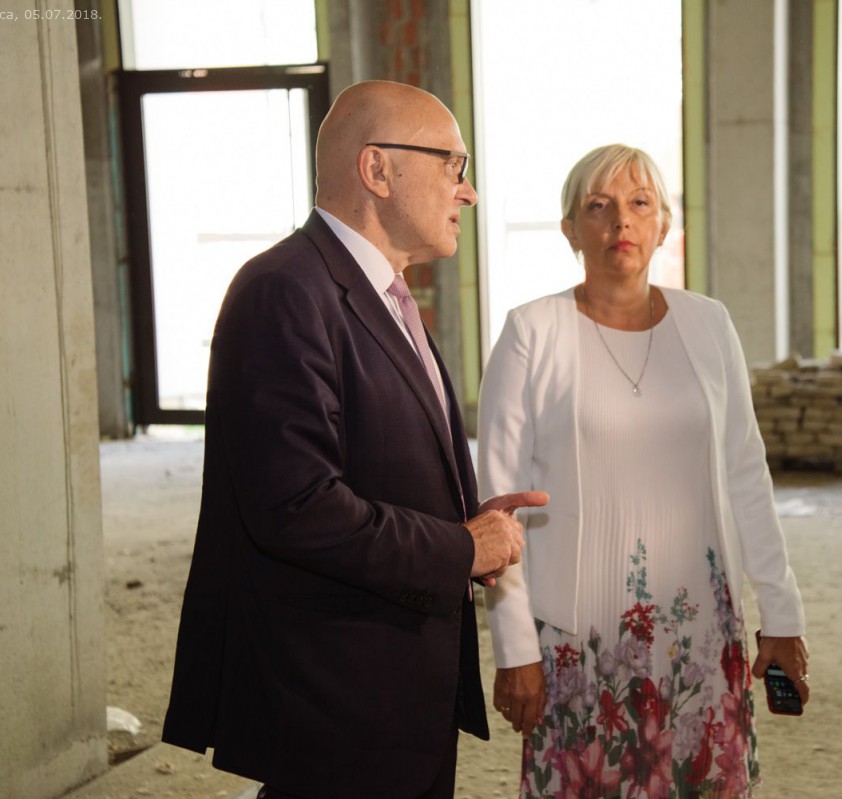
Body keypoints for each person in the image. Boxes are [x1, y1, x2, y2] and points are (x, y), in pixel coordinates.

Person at [160, 80, 547, 799]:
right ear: (377, 169)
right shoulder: (283, 289)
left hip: (395, 688)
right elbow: (296, 507)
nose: (467, 192)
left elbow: (375, 458)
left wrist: (464, 519)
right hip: (333, 695)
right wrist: (458, 547)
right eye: (452, 165)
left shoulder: (384, 291)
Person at [478, 144, 808, 798]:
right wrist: (514, 649)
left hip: (701, 633)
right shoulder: (530, 332)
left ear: (664, 225)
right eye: (597, 206)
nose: (619, 221)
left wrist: (782, 611)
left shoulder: (709, 324)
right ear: (570, 229)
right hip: (580, 642)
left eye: (639, 203)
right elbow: (498, 509)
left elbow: (746, 474)